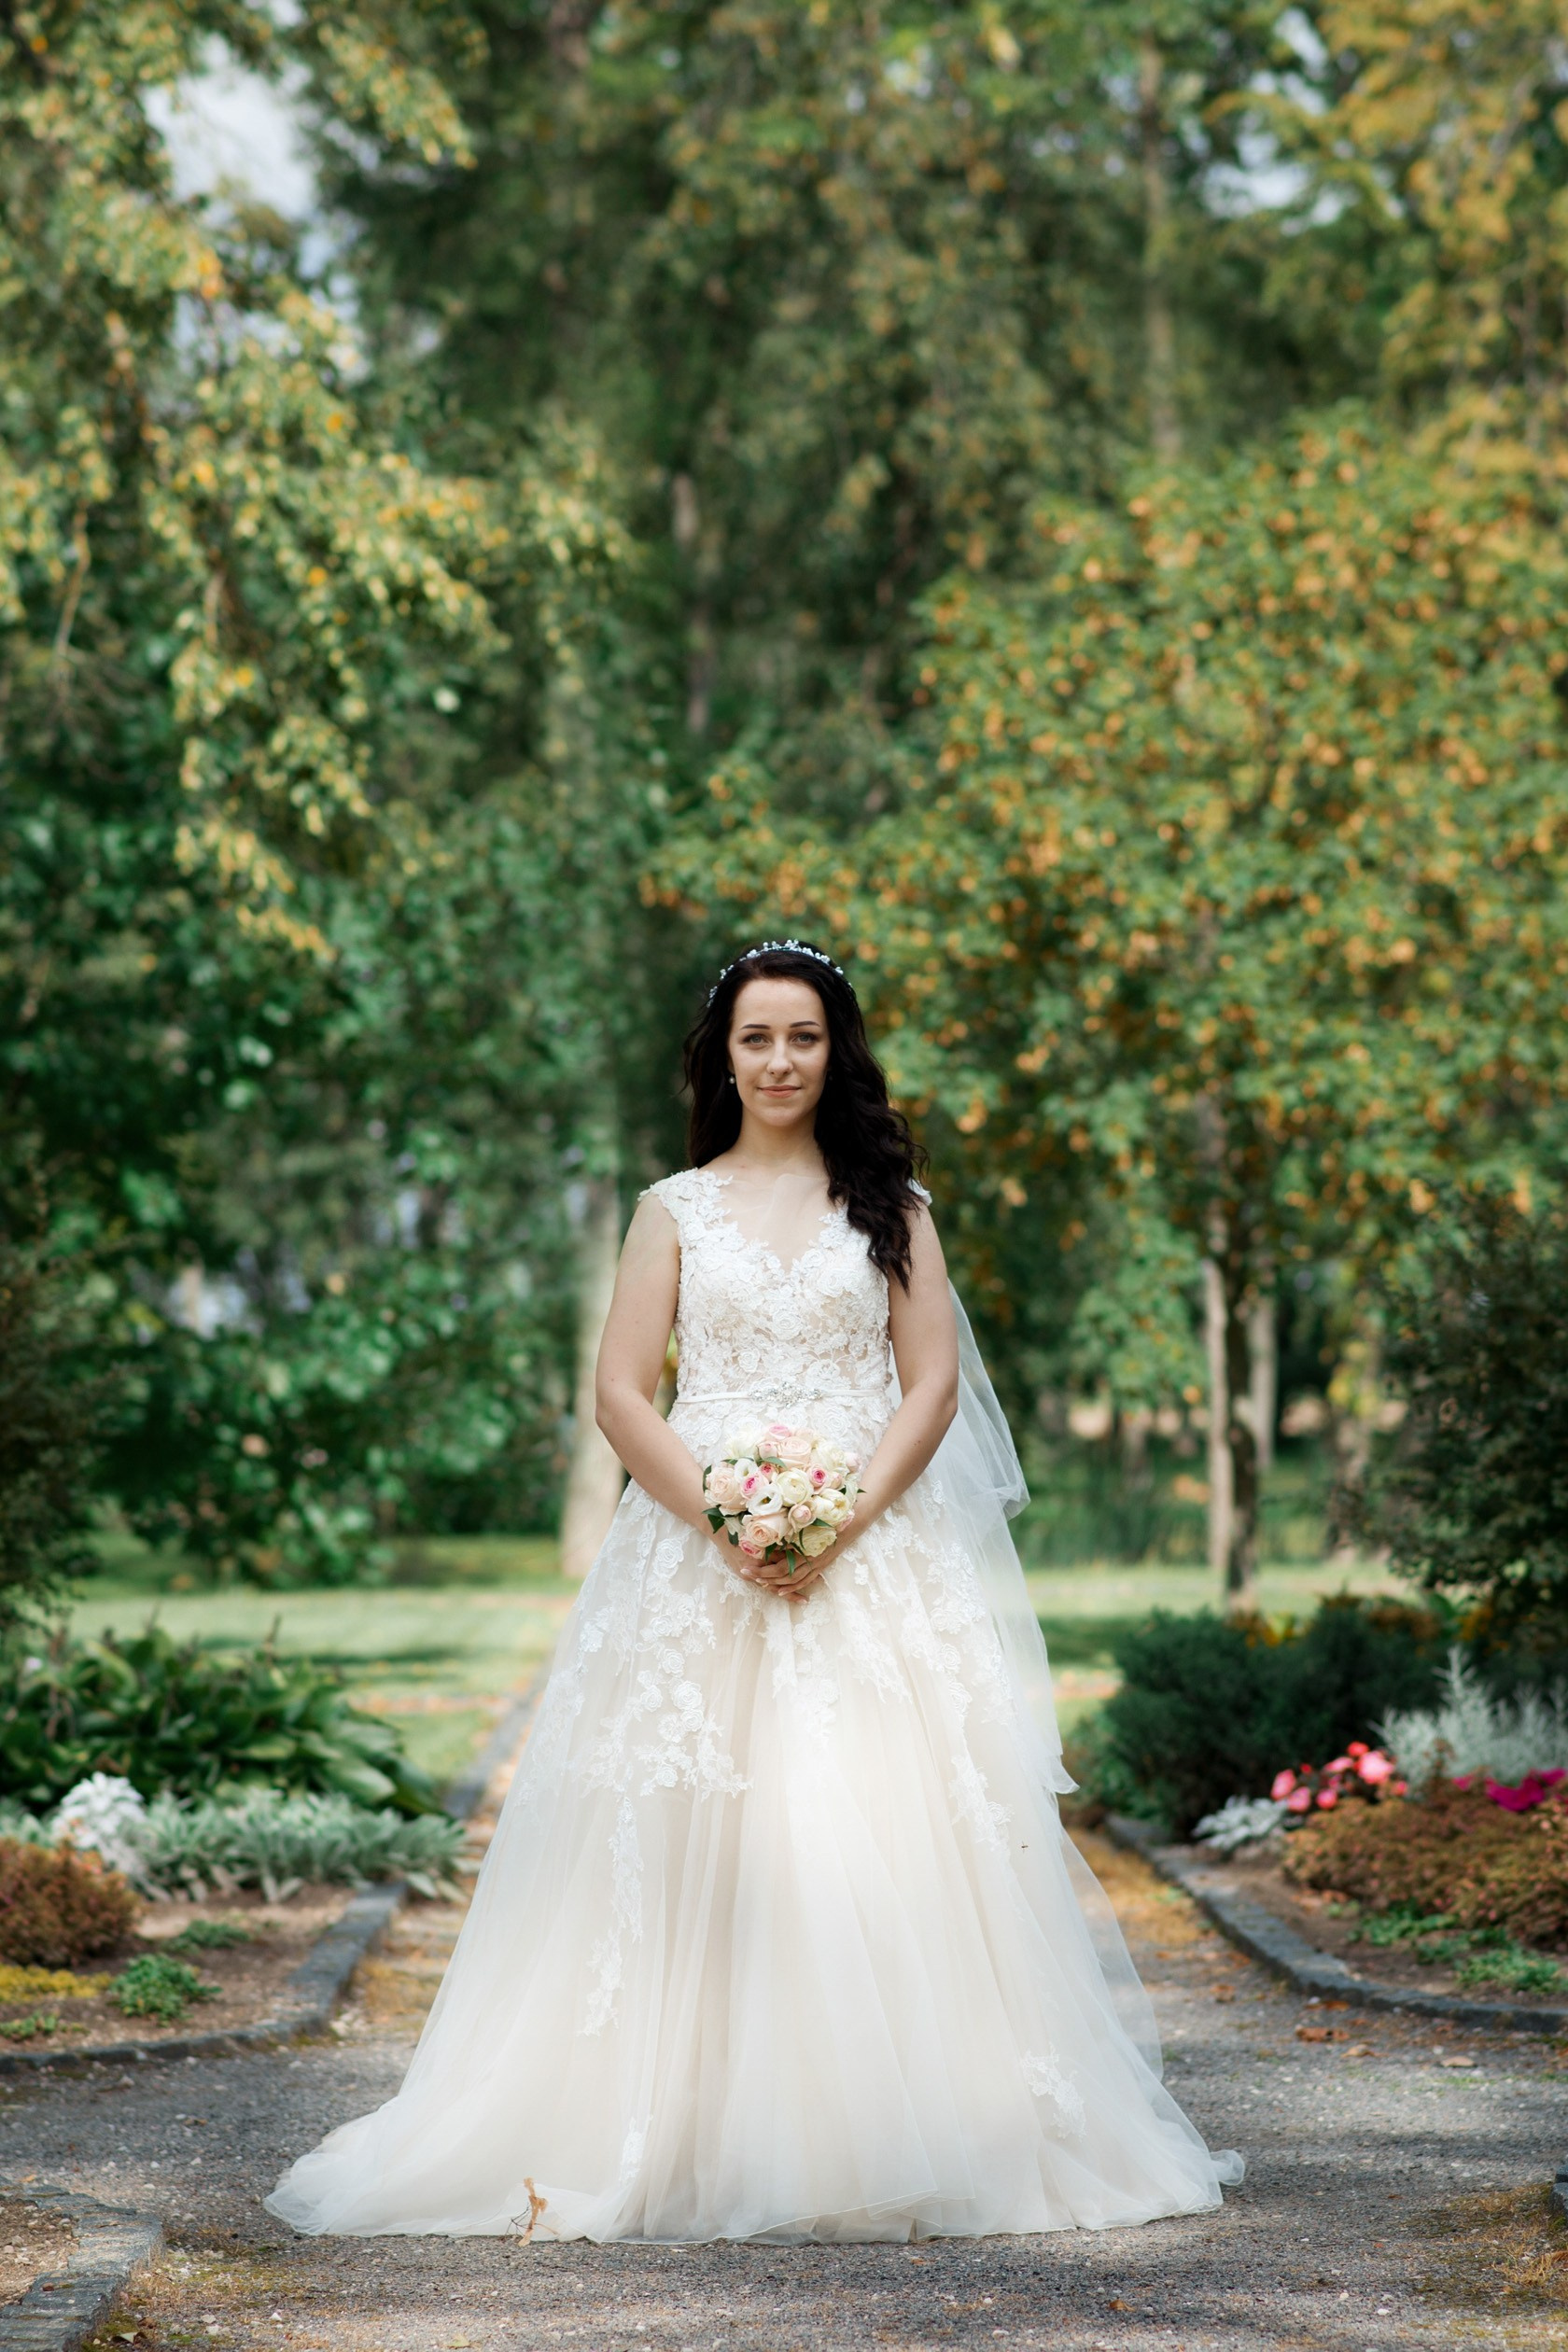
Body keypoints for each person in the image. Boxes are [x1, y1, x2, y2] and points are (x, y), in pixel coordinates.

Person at [267, 940, 1241, 2242]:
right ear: (721, 1058)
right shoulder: (673, 1207)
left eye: (802, 1037)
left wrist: (839, 1517)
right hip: (692, 1554)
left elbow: (932, 1384)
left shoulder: (892, 1206)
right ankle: (676, 2126)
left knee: (870, 1828)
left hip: (870, 1552)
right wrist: (725, 1514)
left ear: (836, 1051)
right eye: (755, 1039)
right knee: (683, 1831)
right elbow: (622, 1391)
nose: (780, 1061)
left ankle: (905, 2132)